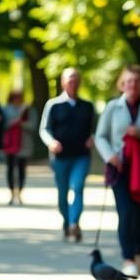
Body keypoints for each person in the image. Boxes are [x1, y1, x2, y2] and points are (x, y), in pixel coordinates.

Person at [95, 64, 140, 276]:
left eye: (136, 81)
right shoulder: (112, 108)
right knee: (126, 214)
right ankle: (128, 257)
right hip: (120, 168)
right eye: (128, 81)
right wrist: (110, 156)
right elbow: (100, 136)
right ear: (122, 84)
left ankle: (139, 250)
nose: (132, 85)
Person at [39, 67, 96, 242]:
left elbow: (95, 130)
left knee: (78, 187)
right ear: (63, 82)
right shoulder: (53, 105)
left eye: (76, 79)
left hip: (81, 155)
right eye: (69, 79)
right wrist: (50, 142)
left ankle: (73, 224)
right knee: (62, 193)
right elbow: (44, 129)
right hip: (60, 157)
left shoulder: (87, 107)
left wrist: (92, 138)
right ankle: (67, 222)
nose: (73, 83)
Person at [1, 90, 36, 205]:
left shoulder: (28, 110)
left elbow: (33, 125)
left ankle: (19, 193)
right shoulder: (5, 110)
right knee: (10, 169)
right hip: (10, 143)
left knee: (21, 169)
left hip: (23, 144)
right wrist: (13, 122)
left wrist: (21, 123)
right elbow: (1, 125)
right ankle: (11, 193)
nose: (17, 100)